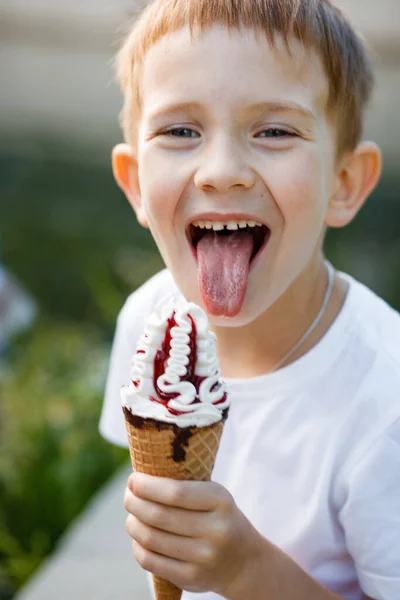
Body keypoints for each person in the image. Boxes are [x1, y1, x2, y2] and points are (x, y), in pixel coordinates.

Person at [99, 0, 400, 598]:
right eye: (181, 130)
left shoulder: (384, 401)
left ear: (343, 185)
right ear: (135, 184)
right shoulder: (149, 324)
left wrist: (245, 571)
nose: (222, 171)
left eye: (274, 131)